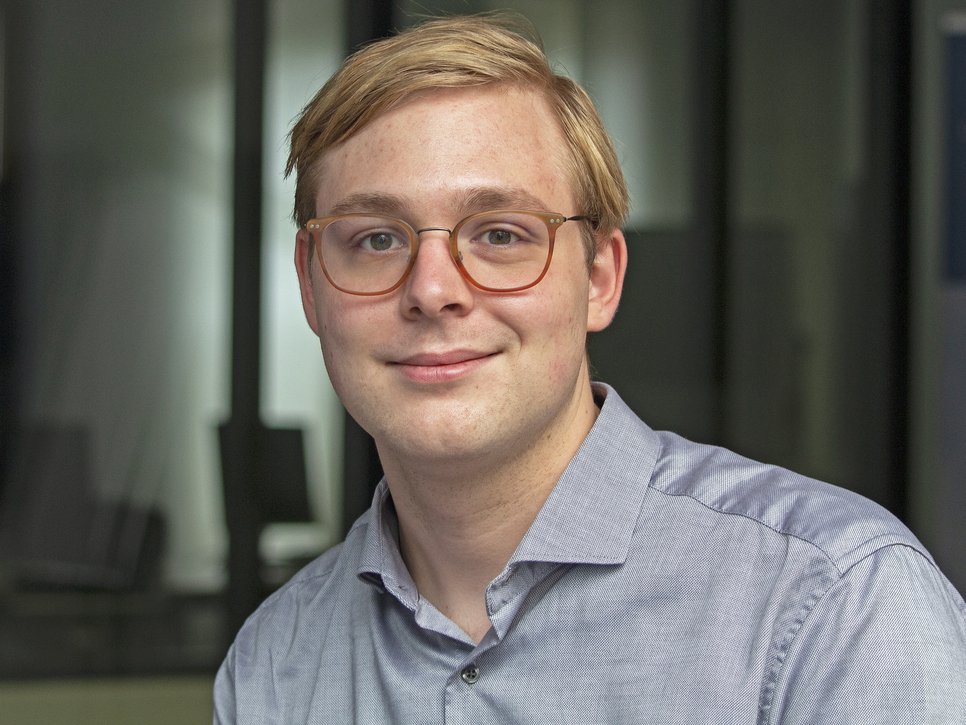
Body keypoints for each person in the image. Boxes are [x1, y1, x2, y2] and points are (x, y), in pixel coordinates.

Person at [214, 14, 966, 723]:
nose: (433, 290)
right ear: (311, 284)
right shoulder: (274, 663)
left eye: (501, 233)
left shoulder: (835, 604)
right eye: (376, 239)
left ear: (600, 276)